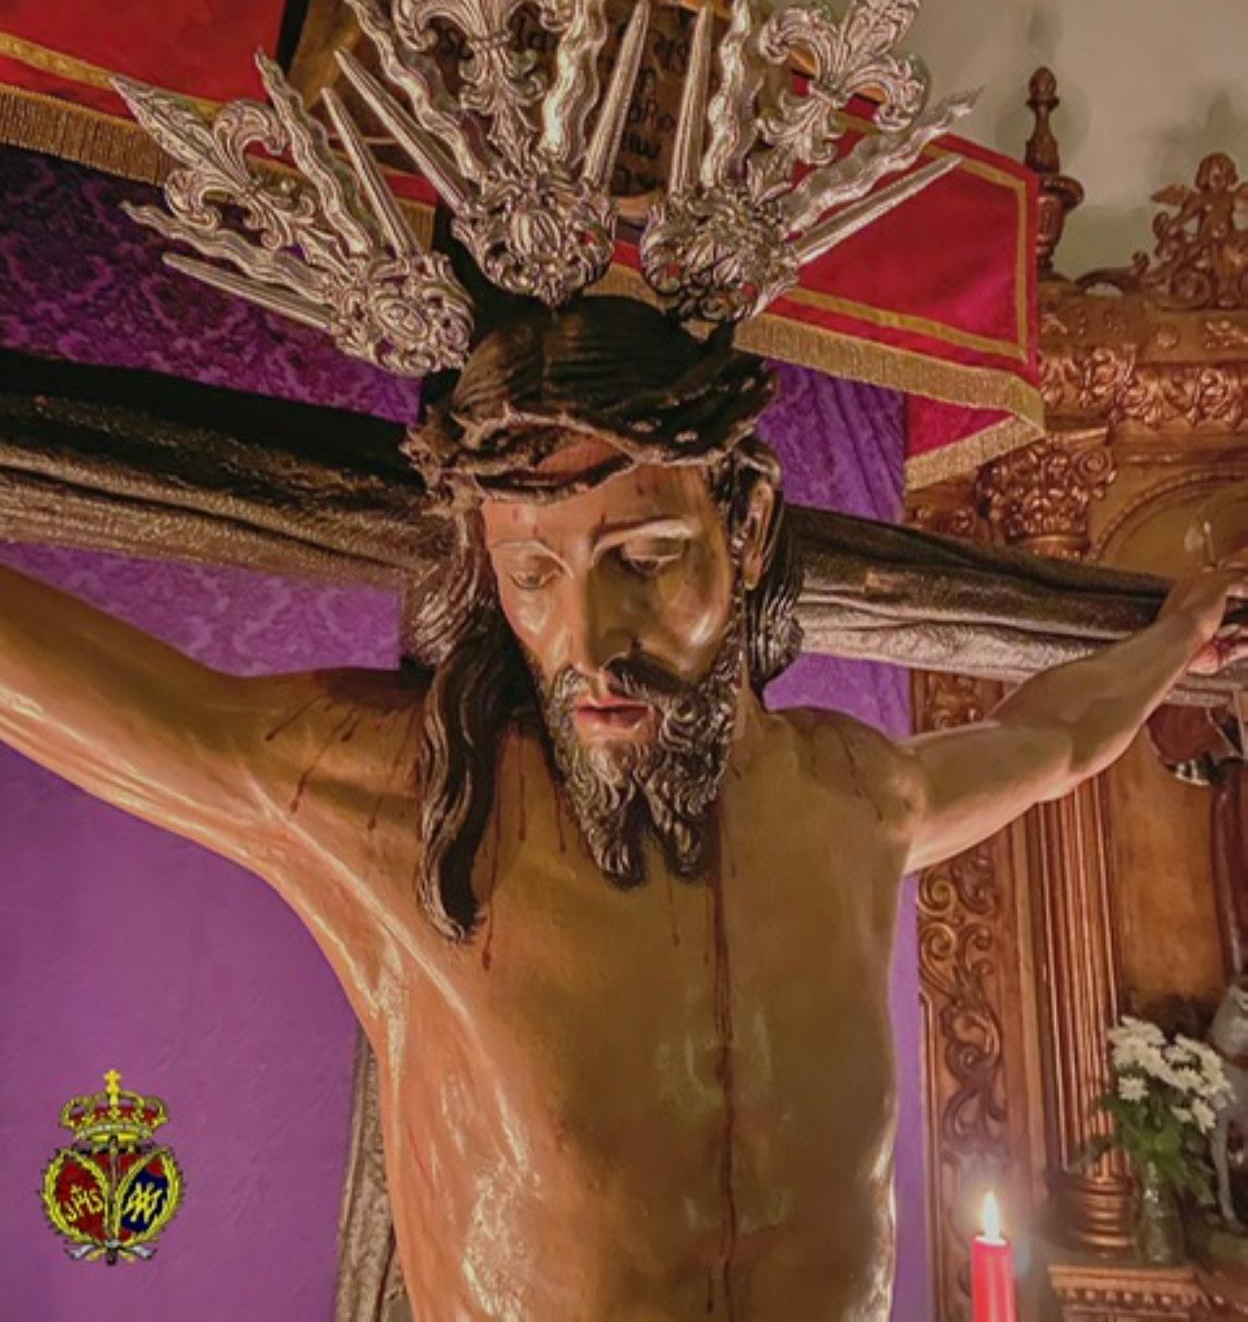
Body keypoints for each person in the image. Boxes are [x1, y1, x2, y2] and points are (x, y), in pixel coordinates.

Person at [2, 294, 1245, 1320]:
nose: (586, 639)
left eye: (643, 557)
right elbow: (138, 711)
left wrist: (1177, 635)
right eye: (532, 573)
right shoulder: (402, 799)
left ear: (745, 526)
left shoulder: (851, 799)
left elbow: (1051, 739)